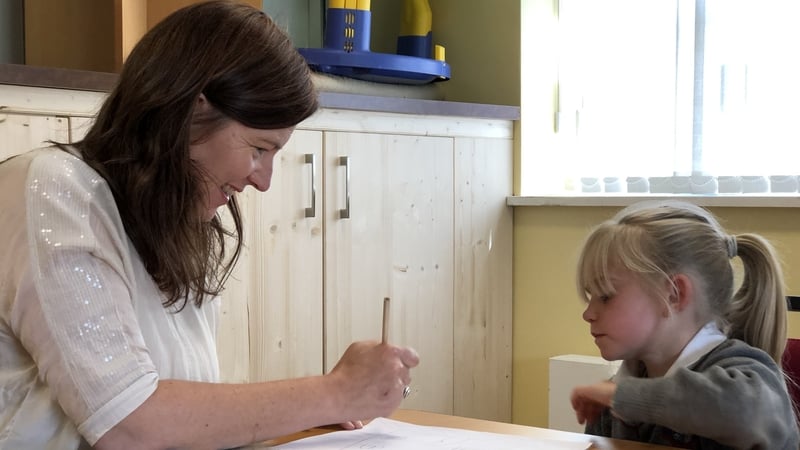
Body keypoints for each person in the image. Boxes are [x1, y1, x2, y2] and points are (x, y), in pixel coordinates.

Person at [0, 1, 419, 449]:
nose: (263, 180)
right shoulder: (52, 189)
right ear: (192, 111)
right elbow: (128, 426)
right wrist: (334, 393)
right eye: (259, 148)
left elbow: (182, 416)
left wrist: (322, 408)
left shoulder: (173, 224)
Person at [570, 200, 799, 449]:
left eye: (605, 295)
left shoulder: (744, 373)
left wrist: (623, 397)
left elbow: (743, 413)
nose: (588, 314)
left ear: (674, 293)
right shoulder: (620, 390)